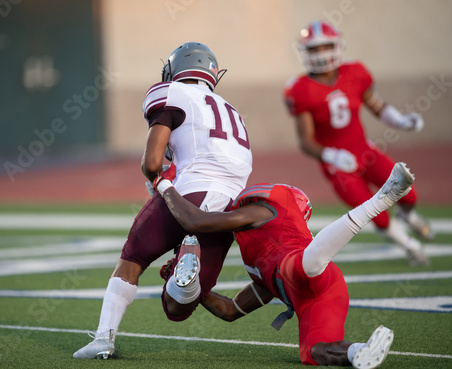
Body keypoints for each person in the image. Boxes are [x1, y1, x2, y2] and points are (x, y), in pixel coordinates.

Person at [73, 42, 252, 359]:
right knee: (177, 308)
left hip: (188, 191)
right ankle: (187, 271)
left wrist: (159, 180)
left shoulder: (171, 93)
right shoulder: (232, 111)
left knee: (133, 258)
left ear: (174, 70)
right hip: (228, 209)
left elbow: (152, 162)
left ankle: (103, 339)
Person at [154, 161, 415, 368]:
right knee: (314, 353)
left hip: (309, 271)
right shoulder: (263, 277)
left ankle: (384, 197)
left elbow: (195, 221)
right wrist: (196, 287)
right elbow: (230, 310)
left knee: (301, 267)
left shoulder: (263, 211)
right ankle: (360, 351)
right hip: (318, 295)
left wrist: (165, 186)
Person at [283, 20, 433, 266]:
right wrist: (332, 156)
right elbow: (306, 142)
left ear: (337, 46)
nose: (320, 54)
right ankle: (411, 247)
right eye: (314, 49)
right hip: (337, 166)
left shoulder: (355, 72)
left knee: (408, 193)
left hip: (365, 150)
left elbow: (377, 106)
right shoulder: (300, 89)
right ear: (305, 53)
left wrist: (401, 121)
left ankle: (409, 216)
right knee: (378, 215)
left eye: (325, 47)